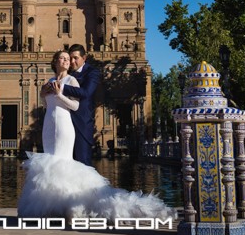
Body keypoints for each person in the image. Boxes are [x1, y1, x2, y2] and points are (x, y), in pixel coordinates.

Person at [16, 49, 175, 223]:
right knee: (50, 163)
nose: (66, 61)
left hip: (63, 125)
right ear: (55, 62)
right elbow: (46, 104)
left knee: (62, 162)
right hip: (48, 125)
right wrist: (42, 94)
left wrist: (60, 94)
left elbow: (75, 106)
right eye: (62, 58)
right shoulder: (51, 81)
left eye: (68, 59)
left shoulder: (72, 80)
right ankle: (54, 206)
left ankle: (72, 205)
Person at [59, 44, 100, 165]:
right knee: (66, 164)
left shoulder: (92, 72)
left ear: (84, 58)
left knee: (83, 165)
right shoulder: (66, 72)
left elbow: (86, 92)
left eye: (75, 58)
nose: (72, 61)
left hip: (81, 124)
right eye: (70, 58)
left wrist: (61, 87)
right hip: (64, 125)